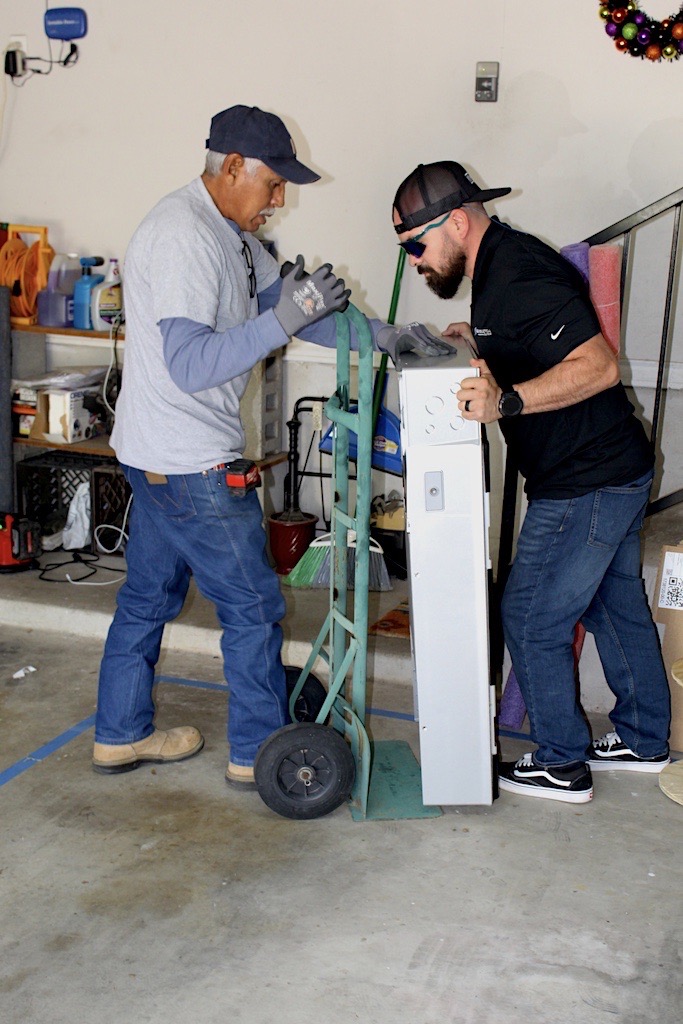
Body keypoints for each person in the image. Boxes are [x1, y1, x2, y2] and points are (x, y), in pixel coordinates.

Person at [93, 104, 446, 788]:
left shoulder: (235, 236)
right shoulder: (181, 236)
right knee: (253, 607)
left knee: (146, 599)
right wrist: (285, 316)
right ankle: (256, 752)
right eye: (273, 183)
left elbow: (297, 316)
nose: (279, 200)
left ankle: (119, 734)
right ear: (231, 167)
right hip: (188, 460)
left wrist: (388, 338)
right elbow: (193, 364)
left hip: (160, 456)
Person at [392, 160, 671, 804]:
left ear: (456, 221)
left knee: (529, 614)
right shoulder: (498, 265)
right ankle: (643, 736)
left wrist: (506, 403)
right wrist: (480, 341)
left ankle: (561, 763)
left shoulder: (517, 271)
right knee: (613, 604)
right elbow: (536, 340)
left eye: (416, 245)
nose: (414, 261)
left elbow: (596, 367)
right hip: (614, 470)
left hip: (586, 480)